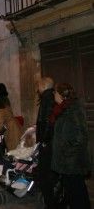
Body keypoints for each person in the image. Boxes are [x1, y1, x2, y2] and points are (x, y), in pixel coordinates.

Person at [50, 83, 90, 208]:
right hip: (66, 161)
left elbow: (80, 136)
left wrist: (66, 153)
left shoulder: (73, 110)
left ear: (62, 94)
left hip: (72, 161)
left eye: (55, 92)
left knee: (77, 192)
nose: (53, 95)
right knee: (72, 191)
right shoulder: (62, 109)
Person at [34, 77, 59, 208]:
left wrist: (43, 140)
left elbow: (48, 122)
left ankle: (51, 203)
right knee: (49, 173)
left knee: (44, 174)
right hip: (51, 141)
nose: (37, 89)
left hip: (47, 143)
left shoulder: (47, 99)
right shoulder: (50, 98)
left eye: (38, 86)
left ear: (43, 86)